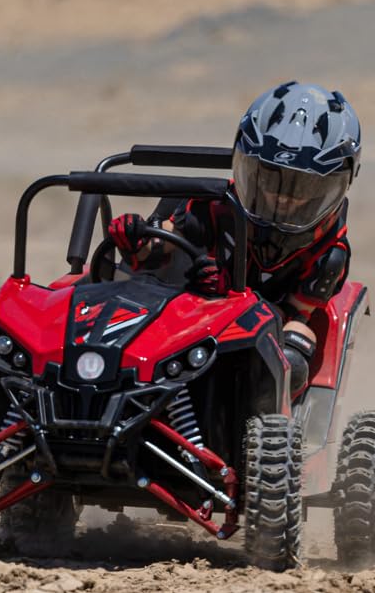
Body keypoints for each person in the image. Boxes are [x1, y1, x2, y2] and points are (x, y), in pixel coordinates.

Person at [107, 80, 360, 400]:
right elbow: (160, 248)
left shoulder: (329, 253)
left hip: (246, 353)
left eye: (305, 187)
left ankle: (265, 428)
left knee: (294, 355)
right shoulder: (212, 206)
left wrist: (230, 299)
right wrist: (136, 241)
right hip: (174, 328)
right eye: (269, 179)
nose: (283, 197)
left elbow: (294, 319)